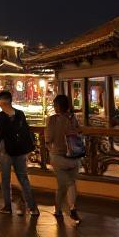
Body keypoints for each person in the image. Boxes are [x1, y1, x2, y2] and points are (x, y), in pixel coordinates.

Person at [0, 90, 39, 216]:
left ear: (3, 101)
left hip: (5, 150)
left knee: (5, 178)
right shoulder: (20, 114)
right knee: (23, 178)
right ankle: (32, 207)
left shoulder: (0, 117)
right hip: (20, 150)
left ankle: (7, 206)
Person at [45, 94, 81, 223]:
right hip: (74, 156)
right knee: (65, 184)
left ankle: (72, 209)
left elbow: (48, 138)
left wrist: (49, 148)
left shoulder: (52, 120)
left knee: (67, 183)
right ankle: (58, 209)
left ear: (57, 106)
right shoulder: (73, 118)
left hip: (58, 156)